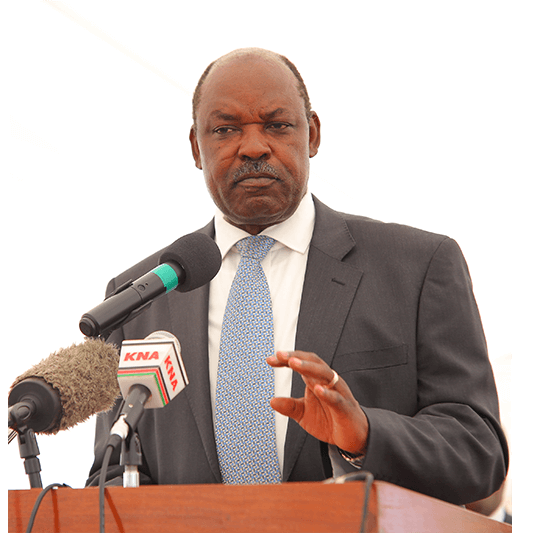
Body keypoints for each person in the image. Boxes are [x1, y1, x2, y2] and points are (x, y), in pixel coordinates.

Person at [86, 47, 508, 506]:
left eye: (277, 125)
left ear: (313, 135)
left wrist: (365, 433)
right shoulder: (140, 298)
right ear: (195, 147)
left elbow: (478, 451)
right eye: (225, 129)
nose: (252, 146)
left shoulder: (418, 267)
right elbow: (112, 475)